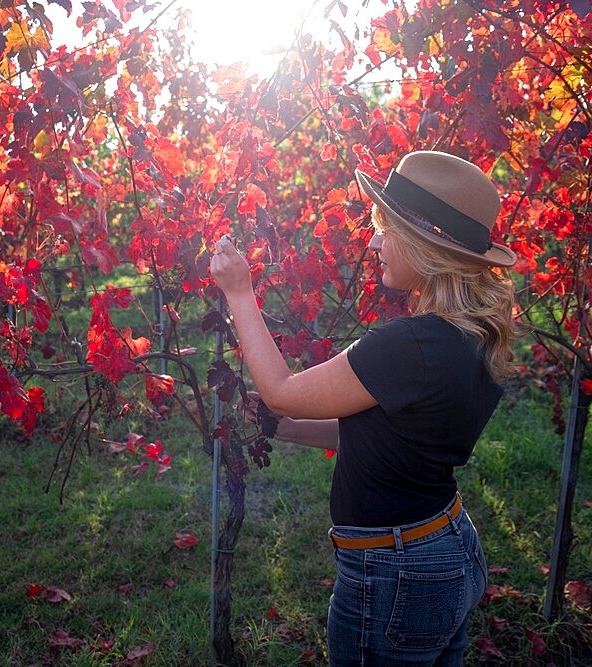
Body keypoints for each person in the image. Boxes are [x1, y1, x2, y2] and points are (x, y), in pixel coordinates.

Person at [209, 150, 519, 666]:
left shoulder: (410, 344)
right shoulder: (471, 338)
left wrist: (240, 294)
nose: (373, 241)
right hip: (446, 546)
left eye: (385, 229)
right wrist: (279, 426)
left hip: (395, 572)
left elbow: (282, 387)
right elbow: (379, 434)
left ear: (426, 246)